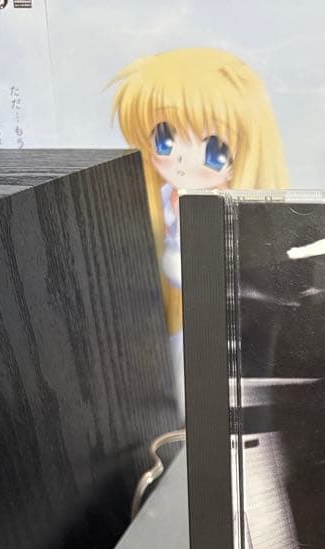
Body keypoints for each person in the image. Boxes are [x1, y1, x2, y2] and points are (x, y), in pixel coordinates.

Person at [110, 48, 289, 413]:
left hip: (220, 339)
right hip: (166, 335)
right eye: (165, 137)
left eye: (214, 149)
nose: (181, 159)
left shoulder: (241, 221)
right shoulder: (151, 205)